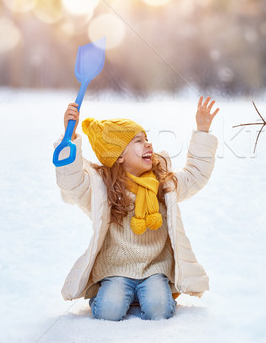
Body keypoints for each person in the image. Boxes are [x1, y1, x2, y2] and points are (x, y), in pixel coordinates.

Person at [54, 96, 219, 321]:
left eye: (146, 139)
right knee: (108, 311)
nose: (148, 144)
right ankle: (112, 293)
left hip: (154, 269)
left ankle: (147, 293)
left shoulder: (163, 183)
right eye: (138, 141)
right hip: (115, 270)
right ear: (119, 156)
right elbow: (71, 183)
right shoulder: (103, 189)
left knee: (159, 310)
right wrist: (69, 137)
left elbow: (195, 175)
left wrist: (202, 130)